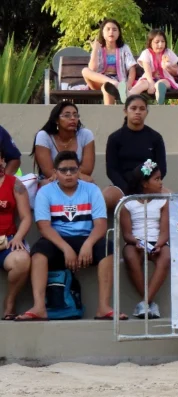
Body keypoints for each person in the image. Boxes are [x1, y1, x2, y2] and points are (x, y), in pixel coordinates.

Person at [15, 151, 126, 321]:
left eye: (73, 170)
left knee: (107, 248)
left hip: (86, 238)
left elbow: (101, 225)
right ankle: (39, 307)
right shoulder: (45, 192)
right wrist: (66, 248)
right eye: (63, 170)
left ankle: (103, 307)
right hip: (58, 240)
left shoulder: (92, 190)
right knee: (38, 251)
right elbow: (44, 227)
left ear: (79, 171)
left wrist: (88, 244)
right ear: (55, 172)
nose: (68, 174)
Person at [119, 160, 170, 320]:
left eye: (160, 178)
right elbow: (127, 233)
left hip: (158, 242)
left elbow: (164, 231)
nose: (161, 183)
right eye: (157, 179)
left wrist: (159, 244)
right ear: (144, 183)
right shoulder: (128, 203)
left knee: (166, 257)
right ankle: (149, 302)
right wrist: (136, 242)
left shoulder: (163, 201)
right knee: (130, 255)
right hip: (136, 242)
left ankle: (145, 302)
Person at [105, 95, 167, 212]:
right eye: (133, 108)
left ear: (146, 112)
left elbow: (161, 168)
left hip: (148, 185)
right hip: (122, 186)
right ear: (125, 111)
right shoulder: (115, 138)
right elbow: (111, 170)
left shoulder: (155, 137)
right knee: (104, 198)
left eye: (142, 109)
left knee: (172, 199)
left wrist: (147, 184)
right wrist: (127, 189)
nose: (137, 112)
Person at [32, 101, 96, 188]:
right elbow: (49, 172)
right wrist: (76, 174)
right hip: (51, 180)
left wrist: (68, 175)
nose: (72, 118)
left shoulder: (86, 134)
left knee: (91, 183)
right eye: (67, 115)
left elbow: (87, 170)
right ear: (56, 120)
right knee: (46, 183)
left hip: (77, 180)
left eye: (75, 115)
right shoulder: (44, 136)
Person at [0, 147, 32, 320]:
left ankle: (10, 301)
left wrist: (18, 237)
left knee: (22, 260)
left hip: (7, 241)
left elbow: (26, 217)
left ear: (3, 161)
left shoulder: (15, 183)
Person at [81, 19, 138, 106]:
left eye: (114, 30)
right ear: (102, 33)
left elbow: (131, 68)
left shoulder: (124, 48)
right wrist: (95, 49)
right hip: (99, 81)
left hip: (118, 82)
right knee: (85, 71)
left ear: (119, 33)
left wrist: (129, 85)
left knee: (107, 88)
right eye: (108, 29)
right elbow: (92, 69)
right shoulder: (98, 48)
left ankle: (109, 114)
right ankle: (113, 83)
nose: (111, 32)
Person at [128, 29, 178, 105]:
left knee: (161, 84)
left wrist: (168, 67)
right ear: (150, 43)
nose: (160, 44)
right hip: (149, 78)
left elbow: (177, 72)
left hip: (165, 78)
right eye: (157, 42)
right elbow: (147, 70)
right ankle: (128, 95)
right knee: (142, 83)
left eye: (163, 41)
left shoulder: (168, 52)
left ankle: (159, 98)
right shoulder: (146, 53)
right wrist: (151, 83)